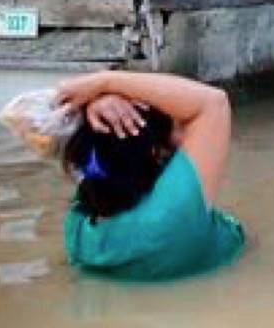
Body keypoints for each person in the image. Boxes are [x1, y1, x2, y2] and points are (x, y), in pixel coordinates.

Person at [55, 71, 244, 282]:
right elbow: (214, 102)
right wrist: (106, 81)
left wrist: (93, 103)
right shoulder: (173, 212)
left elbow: (25, 120)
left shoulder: (79, 231)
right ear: (157, 152)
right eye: (179, 126)